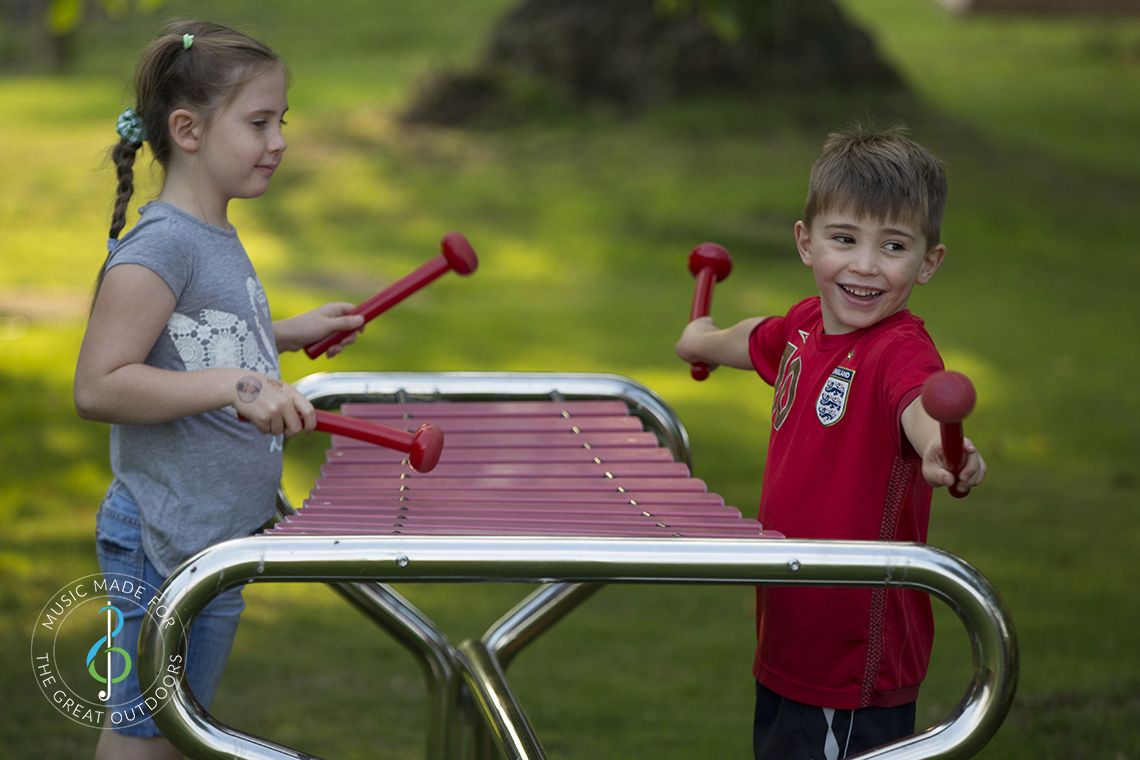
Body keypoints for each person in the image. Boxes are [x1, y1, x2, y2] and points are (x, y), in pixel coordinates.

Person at [73, 20, 364, 760]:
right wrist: (238, 384)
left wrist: (287, 333)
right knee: (150, 736)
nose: (280, 140)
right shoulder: (163, 245)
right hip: (162, 544)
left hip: (210, 540)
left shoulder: (211, 234)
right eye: (259, 122)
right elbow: (100, 385)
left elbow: (196, 338)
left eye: (282, 121)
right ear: (188, 130)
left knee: (166, 730)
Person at [675, 124, 987, 759]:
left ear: (929, 261)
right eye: (844, 239)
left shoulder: (898, 350)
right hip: (790, 632)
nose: (865, 266)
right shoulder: (805, 326)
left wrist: (938, 447)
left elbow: (922, 401)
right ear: (806, 242)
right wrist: (702, 340)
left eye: (894, 246)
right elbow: (755, 337)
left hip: (852, 660)